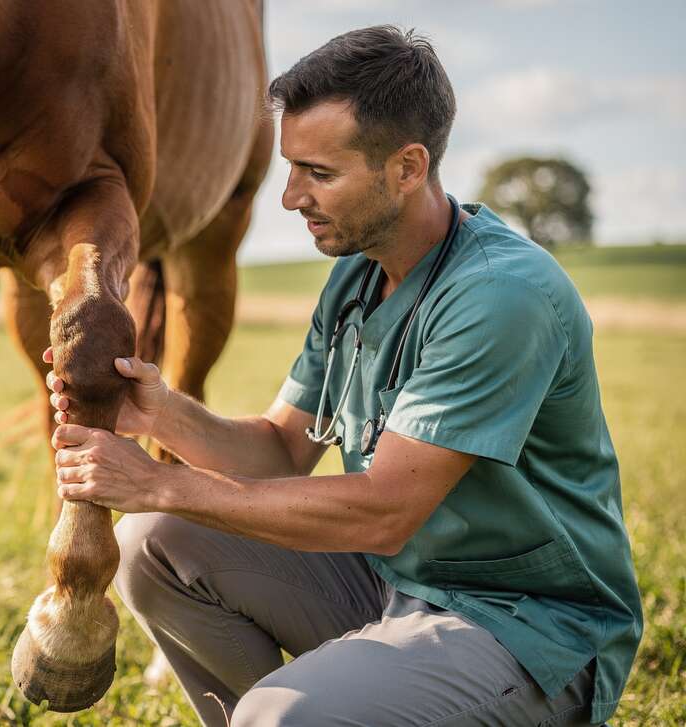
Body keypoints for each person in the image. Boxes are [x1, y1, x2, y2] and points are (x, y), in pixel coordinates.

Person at [42, 25, 642, 727]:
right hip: (400, 583)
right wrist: (159, 413)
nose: (291, 197)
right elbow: (278, 450)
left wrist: (156, 481)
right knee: (157, 546)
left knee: (281, 711)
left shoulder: (499, 295)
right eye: (291, 167)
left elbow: (384, 510)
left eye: (319, 173)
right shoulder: (359, 278)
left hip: (526, 627)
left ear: (408, 168)